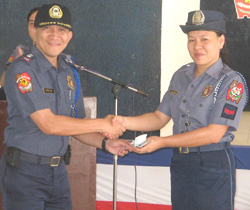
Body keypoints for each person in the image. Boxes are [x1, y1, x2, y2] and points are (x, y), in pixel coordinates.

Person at [112, 10, 249, 210]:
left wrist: (163, 142)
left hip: (212, 163)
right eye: (191, 40)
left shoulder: (231, 82)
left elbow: (214, 133)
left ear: (221, 41)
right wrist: (122, 121)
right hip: (181, 163)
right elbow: (159, 117)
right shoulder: (181, 75)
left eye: (204, 39)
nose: (197, 46)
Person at [0, 3, 130, 210]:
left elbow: (76, 125)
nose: (54, 35)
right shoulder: (22, 68)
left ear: (69, 35)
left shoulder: (68, 71)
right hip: (25, 173)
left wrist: (105, 143)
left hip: (58, 173)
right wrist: (103, 123)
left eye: (61, 30)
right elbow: (49, 124)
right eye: (47, 29)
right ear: (35, 32)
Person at [0, 7, 40, 100]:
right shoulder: (20, 52)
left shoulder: (62, 59)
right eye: (32, 23)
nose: (35, 28)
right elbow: (2, 86)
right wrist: (14, 68)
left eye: (40, 23)